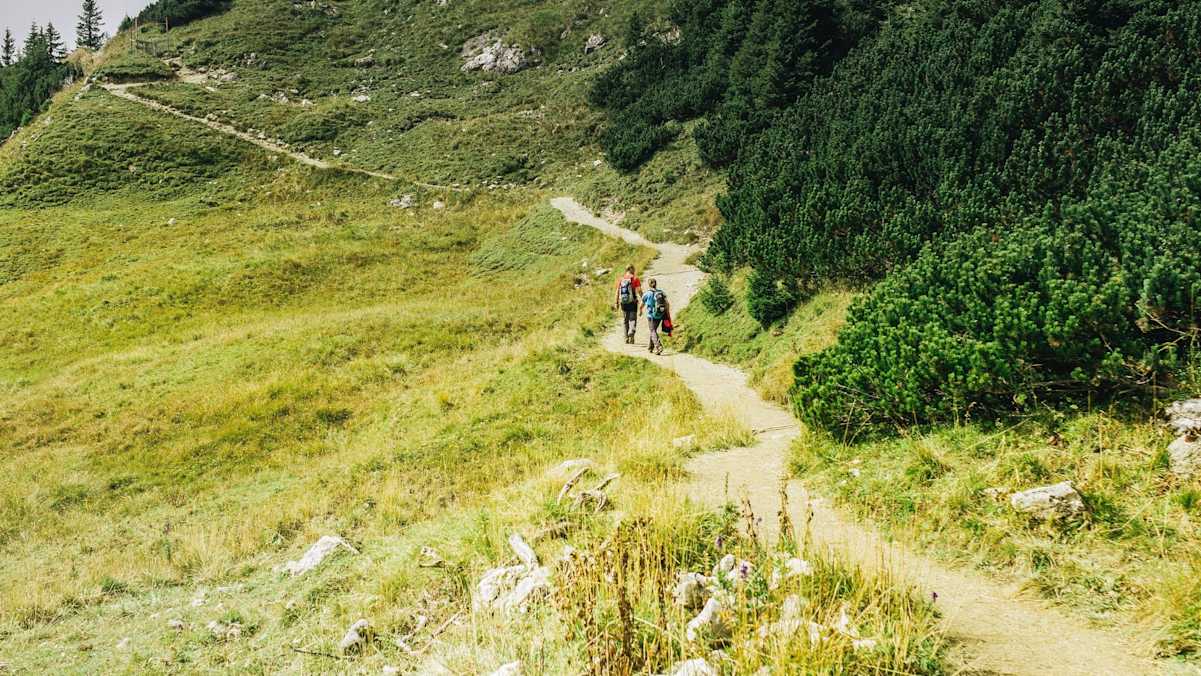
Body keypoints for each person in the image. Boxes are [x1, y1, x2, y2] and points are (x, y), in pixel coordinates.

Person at [615, 265, 643, 344]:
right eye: (634, 269)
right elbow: (639, 291)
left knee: (625, 320)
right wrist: (644, 299)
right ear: (630, 269)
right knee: (633, 319)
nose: (634, 270)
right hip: (633, 302)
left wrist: (616, 302)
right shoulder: (635, 279)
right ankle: (631, 333)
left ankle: (626, 338)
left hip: (623, 302)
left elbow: (617, 291)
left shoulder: (621, 279)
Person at [642, 278, 670, 355]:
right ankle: (650, 347)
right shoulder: (661, 292)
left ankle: (658, 346)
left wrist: (640, 310)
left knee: (652, 331)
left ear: (649, 284)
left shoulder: (647, 294)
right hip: (660, 314)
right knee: (653, 330)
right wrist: (667, 314)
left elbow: (642, 303)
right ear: (656, 284)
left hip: (651, 315)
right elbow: (667, 304)